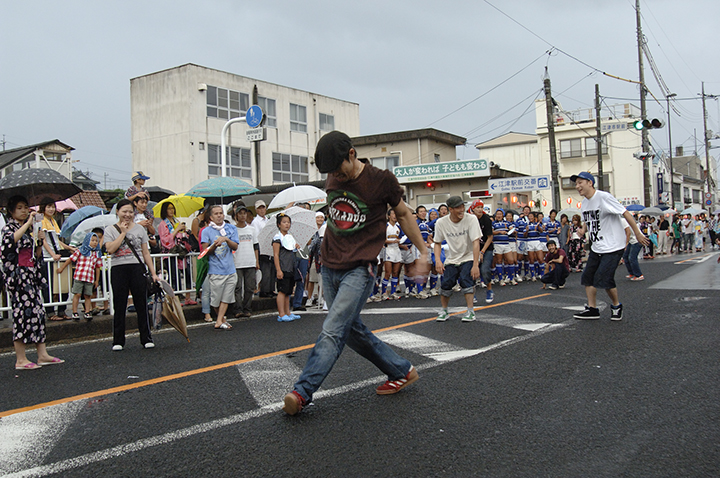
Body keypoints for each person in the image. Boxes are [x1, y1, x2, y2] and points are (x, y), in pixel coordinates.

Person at [282, 131, 429, 416]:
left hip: (360, 269)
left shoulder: (381, 180)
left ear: (352, 154)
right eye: (331, 172)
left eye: (339, 169)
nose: (336, 176)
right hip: (330, 264)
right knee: (350, 330)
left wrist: (423, 252)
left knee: (333, 329)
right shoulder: (333, 176)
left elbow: (403, 214)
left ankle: (302, 392)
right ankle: (401, 370)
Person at [570, 172, 648, 321]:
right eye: (576, 184)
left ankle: (616, 306)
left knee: (605, 278)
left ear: (590, 183)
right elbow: (587, 219)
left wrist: (637, 233)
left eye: (580, 182)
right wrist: (583, 230)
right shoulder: (585, 203)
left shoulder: (604, 197)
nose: (577, 186)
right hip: (596, 246)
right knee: (588, 277)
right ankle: (592, 309)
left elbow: (625, 213)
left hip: (613, 246)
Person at [2, 195, 64, 370]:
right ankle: (20, 358)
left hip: (30, 275)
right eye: (19, 208)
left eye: (25, 207)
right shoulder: (9, 228)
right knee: (21, 314)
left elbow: (36, 256)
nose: (24, 211)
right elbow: (9, 244)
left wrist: (39, 240)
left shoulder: (29, 229)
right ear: (11, 211)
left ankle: (42, 353)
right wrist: (29, 224)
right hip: (18, 277)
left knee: (37, 312)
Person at [104, 198, 160, 350]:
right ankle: (118, 341)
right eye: (124, 211)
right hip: (118, 268)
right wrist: (123, 233)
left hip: (137, 267)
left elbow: (145, 252)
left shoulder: (140, 229)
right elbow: (110, 249)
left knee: (141, 303)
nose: (127, 215)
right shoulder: (110, 230)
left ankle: (146, 338)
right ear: (117, 212)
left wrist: (153, 273)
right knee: (119, 304)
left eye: (130, 212)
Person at [433, 196, 482, 323]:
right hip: (452, 257)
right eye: (458, 208)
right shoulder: (441, 222)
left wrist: (475, 264)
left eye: (463, 207)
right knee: (446, 284)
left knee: (466, 280)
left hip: (468, 256)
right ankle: (444, 310)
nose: (462, 210)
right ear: (451, 209)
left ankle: (470, 311)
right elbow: (437, 243)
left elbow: (476, 242)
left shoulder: (471, 219)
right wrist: (438, 260)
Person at [201, 205, 239, 330]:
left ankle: (219, 321)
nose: (219, 216)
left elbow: (235, 246)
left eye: (221, 213)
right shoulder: (206, 231)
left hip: (230, 269)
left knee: (226, 298)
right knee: (216, 300)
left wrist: (226, 239)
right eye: (216, 214)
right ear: (211, 217)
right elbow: (205, 251)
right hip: (216, 269)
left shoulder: (231, 228)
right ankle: (222, 320)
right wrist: (215, 245)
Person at [38, 198, 75, 321]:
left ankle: (61, 310)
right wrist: (52, 254)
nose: (51, 209)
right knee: (48, 286)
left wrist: (69, 248)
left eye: (53, 207)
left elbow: (56, 240)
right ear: (43, 208)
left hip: (57, 255)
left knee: (62, 284)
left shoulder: (53, 221)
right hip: (48, 257)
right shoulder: (41, 220)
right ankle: (50, 312)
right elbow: (43, 240)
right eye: (48, 206)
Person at [56, 232, 102, 320]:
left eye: (96, 241)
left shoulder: (97, 253)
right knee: (77, 294)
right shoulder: (81, 251)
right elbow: (70, 259)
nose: (95, 242)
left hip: (89, 278)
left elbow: (97, 267)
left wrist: (96, 280)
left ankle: (87, 311)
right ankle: (75, 312)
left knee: (88, 295)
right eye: (92, 240)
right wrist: (62, 268)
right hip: (79, 276)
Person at [157, 201, 195, 305]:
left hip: (181, 251)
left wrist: (183, 231)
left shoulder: (176, 221)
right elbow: (165, 241)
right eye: (169, 208)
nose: (171, 210)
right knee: (174, 276)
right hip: (171, 253)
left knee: (187, 274)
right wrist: (176, 230)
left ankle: (188, 297)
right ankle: (176, 299)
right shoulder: (162, 224)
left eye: (172, 208)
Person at [273, 213, 301, 322]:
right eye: (284, 222)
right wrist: (278, 270)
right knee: (282, 290)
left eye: (288, 222)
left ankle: (287, 312)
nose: (287, 224)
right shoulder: (277, 238)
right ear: (279, 224)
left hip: (291, 267)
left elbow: (292, 251)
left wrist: (296, 246)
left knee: (288, 291)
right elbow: (276, 255)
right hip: (283, 267)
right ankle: (281, 314)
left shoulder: (290, 237)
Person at [232, 205, 259, 318]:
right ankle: (238, 309)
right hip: (237, 261)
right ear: (236, 215)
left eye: (244, 213)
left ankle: (247, 308)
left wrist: (256, 261)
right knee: (238, 287)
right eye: (240, 213)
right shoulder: (233, 229)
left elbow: (256, 246)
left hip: (250, 260)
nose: (243, 216)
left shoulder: (252, 229)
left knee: (249, 287)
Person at [469, 200, 494, 303]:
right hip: (473, 248)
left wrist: (482, 252)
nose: (480, 210)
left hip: (486, 248)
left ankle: (489, 289)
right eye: (477, 207)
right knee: (472, 270)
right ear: (473, 209)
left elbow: (490, 237)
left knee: (484, 269)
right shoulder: (469, 219)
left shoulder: (486, 219)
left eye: (481, 207)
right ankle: (472, 293)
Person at [251, 200, 275, 297]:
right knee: (265, 270)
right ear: (256, 210)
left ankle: (271, 289)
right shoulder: (255, 222)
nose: (262, 210)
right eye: (259, 208)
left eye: (263, 207)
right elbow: (258, 237)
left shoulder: (268, 220)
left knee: (272, 269)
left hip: (270, 247)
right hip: (262, 248)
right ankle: (264, 290)